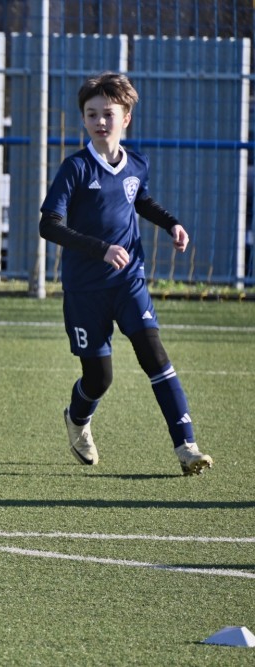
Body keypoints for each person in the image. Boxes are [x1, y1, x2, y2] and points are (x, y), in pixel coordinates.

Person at [39, 71, 213, 476]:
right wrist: (101, 249)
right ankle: (77, 419)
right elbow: (49, 225)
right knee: (99, 378)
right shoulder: (75, 168)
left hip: (129, 281)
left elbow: (140, 199)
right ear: (83, 118)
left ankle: (187, 446)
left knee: (155, 355)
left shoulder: (136, 163)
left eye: (108, 114)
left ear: (126, 118)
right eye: (92, 114)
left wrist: (171, 223)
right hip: (85, 289)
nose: (100, 121)